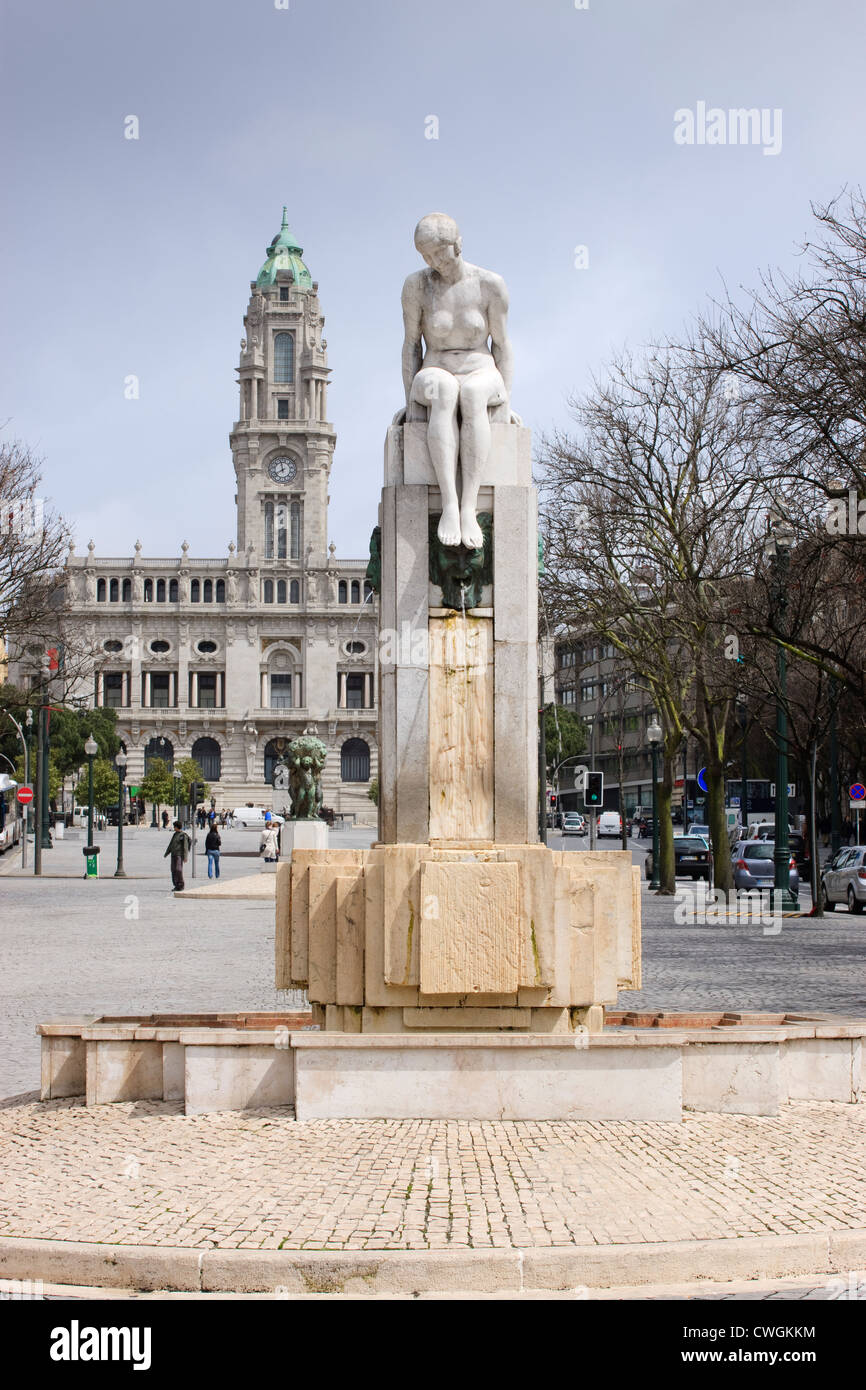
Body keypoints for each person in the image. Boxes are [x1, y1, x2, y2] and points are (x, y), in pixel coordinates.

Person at [164, 819, 191, 892]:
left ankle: (181, 884)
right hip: (173, 855)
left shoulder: (183, 835)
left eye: (174, 826)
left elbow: (185, 846)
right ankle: (176, 885)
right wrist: (167, 853)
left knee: (178, 869)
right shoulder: (175, 834)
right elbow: (171, 844)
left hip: (179, 855)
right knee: (173, 870)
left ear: (177, 827)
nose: (174, 828)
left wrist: (185, 857)